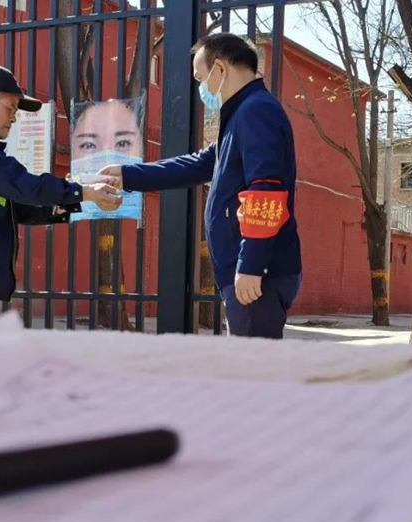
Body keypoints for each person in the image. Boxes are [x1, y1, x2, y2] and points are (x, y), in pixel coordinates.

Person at [99, 33, 302, 339]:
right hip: (250, 268)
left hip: (258, 273)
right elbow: (197, 164)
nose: (200, 88)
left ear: (220, 69)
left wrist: (251, 264)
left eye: (200, 77)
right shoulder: (241, 115)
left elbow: (266, 189)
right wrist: (128, 175)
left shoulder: (255, 112)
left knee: (252, 366)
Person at [0, 65, 122, 328]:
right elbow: (21, 184)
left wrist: (72, 202)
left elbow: (14, 206)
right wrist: (80, 191)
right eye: (10, 108)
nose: (14, 118)